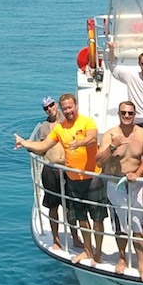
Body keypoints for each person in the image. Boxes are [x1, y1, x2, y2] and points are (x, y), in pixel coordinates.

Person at [14, 93, 106, 264]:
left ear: (76, 106)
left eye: (70, 107)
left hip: (92, 176)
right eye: (65, 108)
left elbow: (92, 137)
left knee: (98, 218)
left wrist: (81, 143)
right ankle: (87, 250)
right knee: (82, 218)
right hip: (72, 178)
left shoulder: (87, 122)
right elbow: (43, 145)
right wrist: (26, 143)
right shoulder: (58, 128)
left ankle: (98, 252)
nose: (68, 110)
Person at [97, 101, 143, 281]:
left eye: (130, 113)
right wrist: (113, 146)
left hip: (135, 185)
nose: (127, 116)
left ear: (135, 115)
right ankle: (122, 257)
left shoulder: (142, 134)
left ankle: (141, 263)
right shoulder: (110, 134)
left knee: (137, 224)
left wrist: (137, 174)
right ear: (118, 114)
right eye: (123, 113)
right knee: (120, 226)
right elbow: (99, 162)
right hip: (115, 184)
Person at [33, 96, 69, 250]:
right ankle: (55, 238)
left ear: (57, 105)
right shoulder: (44, 128)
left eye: (51, 105)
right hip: (51, 168)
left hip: (68, 168)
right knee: (53, 205)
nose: (50, 108)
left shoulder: (67, 120)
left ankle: (76, 236)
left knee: (72, 205)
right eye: (46, 107)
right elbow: (41, 149)